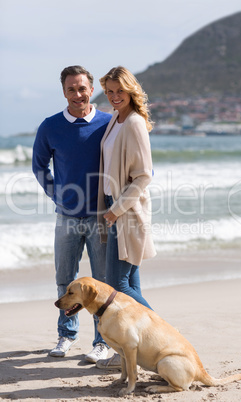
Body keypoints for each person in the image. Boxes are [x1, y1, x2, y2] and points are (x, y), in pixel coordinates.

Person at [32, 65, 112, 362]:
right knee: (65, 278)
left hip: (101, 217)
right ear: (63, 92)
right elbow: (39, 166)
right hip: (67, 216)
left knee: (101, 282)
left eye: (82, 88)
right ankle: (66, 336)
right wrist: (57, 194)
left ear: (92, 89)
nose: (77, 94)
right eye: (71, 89)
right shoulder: (50, 126)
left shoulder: (109, 122)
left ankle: (102, 341)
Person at [95, 66, 156, 369]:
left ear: (131, 91)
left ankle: (161, 334)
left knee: (118, 285)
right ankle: (133, 348)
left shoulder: (133, 123)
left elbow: (144, 176)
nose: (115, 96)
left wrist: (114, 210)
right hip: (113, 207)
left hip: (126, 212)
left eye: (120, 91)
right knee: (131, 281)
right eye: (109, 91)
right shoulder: (114, 121)